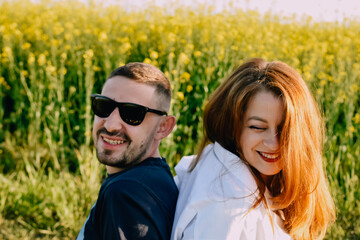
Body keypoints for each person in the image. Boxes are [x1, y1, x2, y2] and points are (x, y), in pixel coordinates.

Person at [171, 58, 335, 240]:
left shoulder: (238, 171)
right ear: (232, 126)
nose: (273, 144)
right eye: (257, 127)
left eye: (285, 130)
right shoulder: (227, 208)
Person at [77, 62, 178, 240]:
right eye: (103, 106)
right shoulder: (152, 179)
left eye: (132, 114)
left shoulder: (125, 193)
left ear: (163, 127)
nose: (110, 125)